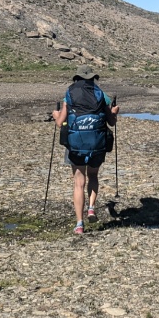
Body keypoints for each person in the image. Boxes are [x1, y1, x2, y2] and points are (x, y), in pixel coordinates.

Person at [51, 65, 119, 234]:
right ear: (92, 78)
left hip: (76, 145)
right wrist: (115, 112)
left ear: (77, 78)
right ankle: (91, 208)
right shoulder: (101, 95)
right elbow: (111, 122)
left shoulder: (70, 93)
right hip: (97, 144)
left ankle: (79, 224)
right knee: (93, 175)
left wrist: (55, 114)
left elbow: (60, 123)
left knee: (78, 183)